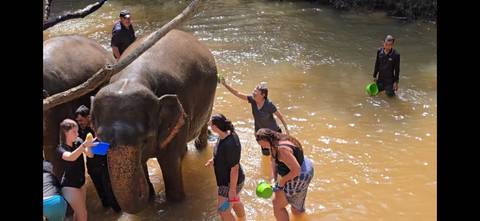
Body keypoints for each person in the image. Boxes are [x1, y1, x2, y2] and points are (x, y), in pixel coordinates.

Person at [255, 128, 314, 221]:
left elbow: (296, 170)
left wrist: (281, 182)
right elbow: (273, 161)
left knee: (277, 205)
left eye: (261, 144)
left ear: (266, 140)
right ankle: (300, 216)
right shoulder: (277, 140)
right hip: (306, 168)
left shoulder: (282, 150)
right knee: (296, 208)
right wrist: (273, 179)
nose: (262, 147)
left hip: (299, 175)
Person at [220, 78, 289, 156]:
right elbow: (237, 93)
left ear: (263, 95)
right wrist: (225, 85)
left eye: (256, 91)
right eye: (254, 90)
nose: (253, 92)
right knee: (266, 156)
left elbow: (281, 117)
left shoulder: (269, 105)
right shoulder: (252, 100)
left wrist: (287, 131)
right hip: (261, 135)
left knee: (277, 155)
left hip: (273, 133)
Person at [75, 105, 121, 212]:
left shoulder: (99, 129)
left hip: (104, 165)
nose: (79, 123)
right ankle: (107, 214)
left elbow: (106, 147)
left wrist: (89, 147)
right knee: (101, 194)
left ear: (89, 117)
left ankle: (117, 213)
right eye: (78, 121)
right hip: (92, 167)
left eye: (81, 120)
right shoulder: (82, 131)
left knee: (110, 192)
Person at [205, 114, 246, 221]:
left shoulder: (230, 143)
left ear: (215, 127)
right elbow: (222, 153)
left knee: (223, 211)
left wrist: (232, 190)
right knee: (235, 202)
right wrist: (214, 160)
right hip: (231, 181)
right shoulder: (224, 134)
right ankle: (243, 218)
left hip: (229, 183)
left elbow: (235, 168)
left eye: (210, 124)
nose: (209, 125)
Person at [57, 119, 96, 221]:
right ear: (65, 133)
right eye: (74, 132)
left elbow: (90, 155)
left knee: (78, 213)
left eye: (77, 131)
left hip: (81, 183)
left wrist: (90, 146)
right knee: (83, 214)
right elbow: (71, 157)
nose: (77, 134)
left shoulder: (78, 141)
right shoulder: (61, 148)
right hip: (69, 186)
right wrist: (84, 146)